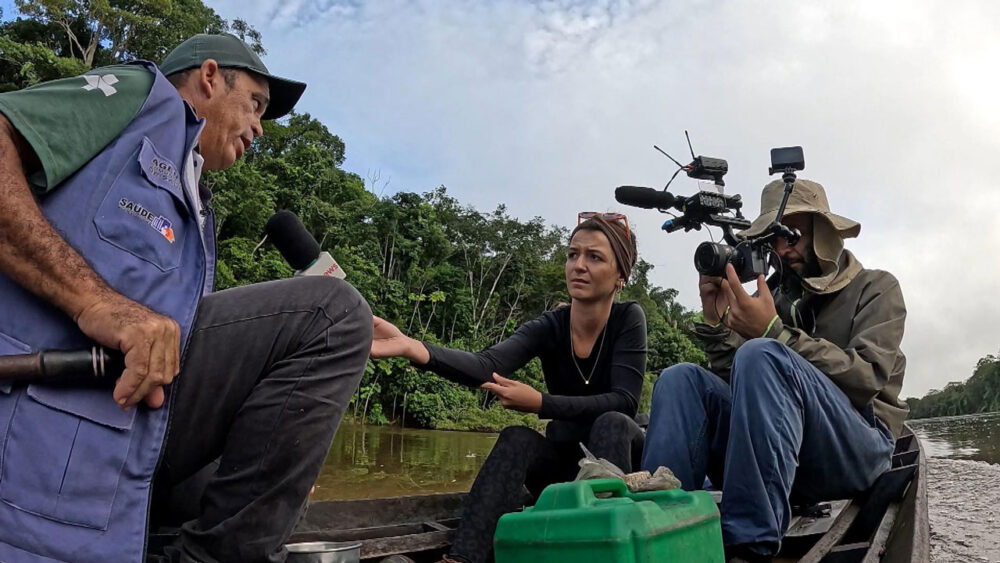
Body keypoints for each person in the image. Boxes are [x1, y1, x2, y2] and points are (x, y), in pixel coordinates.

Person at [0, 34, 372, 562]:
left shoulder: (197, 210)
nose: (260, 128)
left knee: (277, 478)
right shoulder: (141, 98)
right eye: (256, 104)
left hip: (128, 428)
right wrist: (93, 301)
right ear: (211, 77)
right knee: (333, 314)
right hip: (45, 401)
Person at [641, 179, 908, 562]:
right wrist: (718, 321)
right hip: (786, 456)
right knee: (680, 379)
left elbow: (866, 378)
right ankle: (659, 530)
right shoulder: (777, 298)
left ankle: (748, 547)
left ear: (825, 235)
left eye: (793, 236)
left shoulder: (877, 287)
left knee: (763, 354)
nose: (783, 249)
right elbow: (741, 386)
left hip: (859, 447)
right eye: (775, 240)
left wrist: (774, 333)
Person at [370, 213, 647, 563]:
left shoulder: (629, 319)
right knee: (517, 438)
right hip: (566, 466)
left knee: (612, 421)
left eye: (594, 257)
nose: (578, 265)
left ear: (620, 275)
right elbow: (487, 366)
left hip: (619, 468)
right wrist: (414, 348)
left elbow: (625, 401)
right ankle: (462, 558)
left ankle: (598, 549)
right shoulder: (550, 325)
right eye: (572, 254)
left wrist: (541, 403)